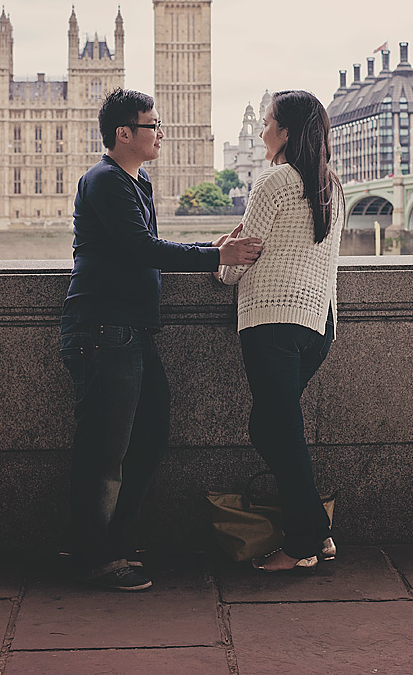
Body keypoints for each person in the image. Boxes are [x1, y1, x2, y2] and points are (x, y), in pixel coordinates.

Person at [60, 88, 262, 591]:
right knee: (105, 450)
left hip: (133, 331)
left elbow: (149, 247)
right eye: (151, 125)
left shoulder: (138, 181)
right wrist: (216, 257)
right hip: (105, 329)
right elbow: (140, 249)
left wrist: (207, 249)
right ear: (123, 133)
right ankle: (96, 555)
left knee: (150, 436)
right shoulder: (104, 180)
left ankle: (115, 540)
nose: (160, 132)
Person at [219, 90, 344, 572]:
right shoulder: (333, 185)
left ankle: (301, 545)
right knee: (270, 427)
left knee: (282, 433)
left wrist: (218, 262)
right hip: (318, 326)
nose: (262, 130)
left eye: (268, 122)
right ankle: (317, 529)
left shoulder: (272, 181)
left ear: (286, 131)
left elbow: (237, 266)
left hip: (272, 322)